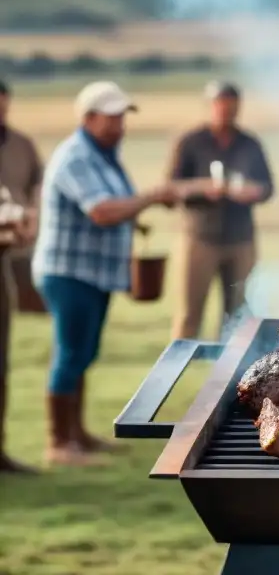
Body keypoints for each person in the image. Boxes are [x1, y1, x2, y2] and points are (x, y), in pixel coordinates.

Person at [33, 82, 179, 467]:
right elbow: (101, 211)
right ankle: (59, 443)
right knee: (71, 353)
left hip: (92, 272)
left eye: (122, 118)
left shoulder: (104, 156)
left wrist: (137, 224)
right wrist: (150, 198)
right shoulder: (77, 157)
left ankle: (77, 435)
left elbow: (115, 208)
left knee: (84, 352)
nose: (119, 126)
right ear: (88, 118)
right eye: (112, 118)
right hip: (69, 272)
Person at [168, 82, 274, 340]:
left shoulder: (250, 143)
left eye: (232, 105)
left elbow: (268, 187)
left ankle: (232, 373)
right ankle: (178, 370)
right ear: (210, 106)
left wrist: (252, 191)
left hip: (241, 239)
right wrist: (203, 188)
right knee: (189, 313)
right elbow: (171, 188)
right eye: (220, 105)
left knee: (239, 314)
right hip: (200, 239)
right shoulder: (190, 142)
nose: (226, 111)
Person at [0, 80, 43, 473]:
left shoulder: (20, 145)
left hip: (4, 257)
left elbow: (35, 187)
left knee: (0, 360)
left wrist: (29, 220)